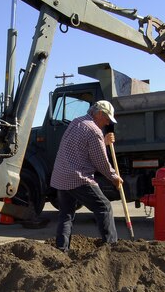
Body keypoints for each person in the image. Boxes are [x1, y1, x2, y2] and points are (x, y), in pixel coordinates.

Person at [50, 100, 123, 252]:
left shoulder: (77, 122)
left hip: (61, 176)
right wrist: (114, 177)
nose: (108, 122)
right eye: (107, 118)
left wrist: (104, 142)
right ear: (100, 114)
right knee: (104, 207)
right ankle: (111, 249)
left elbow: (82, 146)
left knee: (66, 214)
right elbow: (101, 162)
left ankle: (61, 250)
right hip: (78, 177)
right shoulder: (94, 130)